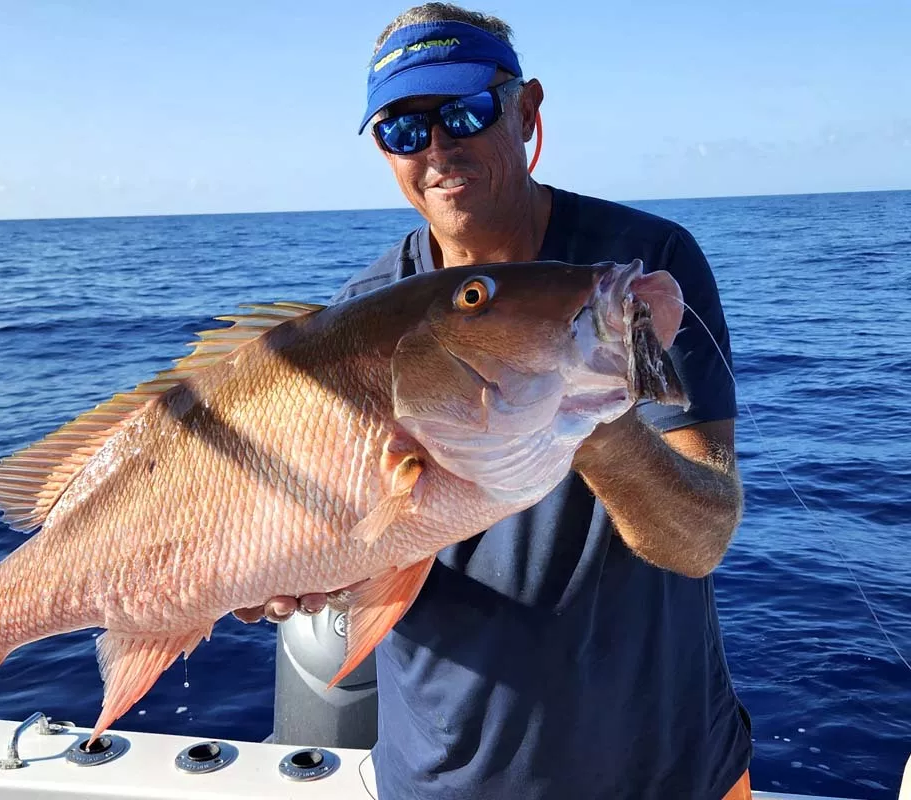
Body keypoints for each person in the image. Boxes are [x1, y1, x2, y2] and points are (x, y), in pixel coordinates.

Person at [234, 4, 752, 798]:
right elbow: (351, 538)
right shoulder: (358, 322)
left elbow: (701, 539)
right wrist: (297, 568)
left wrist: (586, 411)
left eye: (464, 112)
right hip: (450, 779)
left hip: (673, 771)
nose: (437, 147)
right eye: (403, 130)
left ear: (527, 110)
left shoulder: (638, 273)